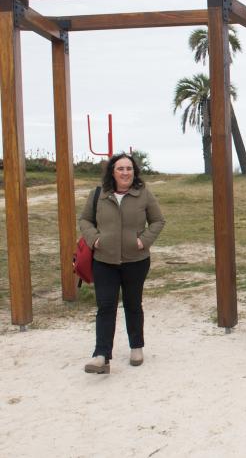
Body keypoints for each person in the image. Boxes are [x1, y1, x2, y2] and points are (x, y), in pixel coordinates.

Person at [79, 153, 166, 374]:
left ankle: (136, 347)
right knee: (105, 307)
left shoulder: (143, 194)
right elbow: (85, 220)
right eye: (120, 169)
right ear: (112, 172)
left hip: (136, 261)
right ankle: (101, 356)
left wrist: (143, 241)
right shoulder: (98, 194)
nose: (125, 172)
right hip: (104, 261)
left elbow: (158, 220)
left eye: (129, 168)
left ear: (134, 172)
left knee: (133, 304)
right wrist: (94, 239)